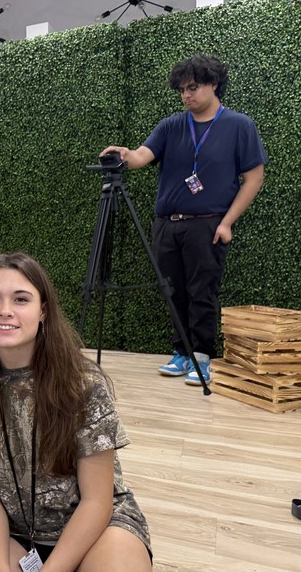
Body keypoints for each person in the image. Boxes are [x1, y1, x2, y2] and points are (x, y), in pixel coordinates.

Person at [0, 252, 152, 572]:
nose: (5, 310)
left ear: (43, 310)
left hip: (99, 533)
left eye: (21, 299)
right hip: (20, 537)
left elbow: (96, 502)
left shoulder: (84, 384)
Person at [101, 53, 266, 386]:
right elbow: (142, 156)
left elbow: (254, 177)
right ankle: (182, 351)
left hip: (208, 224)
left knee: (202, 292)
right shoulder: (171, 125)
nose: (186, 95)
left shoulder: (239, 125)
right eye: (181, 90)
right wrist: (126, 155)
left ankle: (201, 355)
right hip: (167, 224)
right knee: (172, 290)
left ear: (213, 84)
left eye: (192, 88)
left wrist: (227, 222)